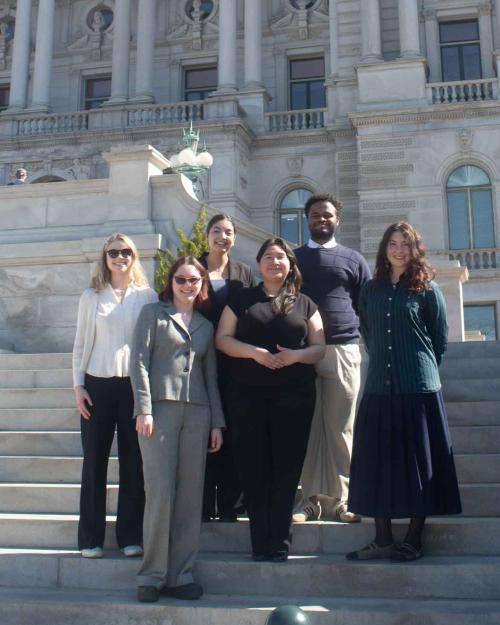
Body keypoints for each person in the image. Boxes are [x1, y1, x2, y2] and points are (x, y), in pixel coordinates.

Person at [346, 222, 461, 562]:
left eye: (405, 244)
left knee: (418, 463)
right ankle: (382, 538)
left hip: (418, 390)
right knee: (376, 462)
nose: (398, 250)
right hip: (380, 387)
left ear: (415, 249)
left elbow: (437, 340)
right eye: (393, 243)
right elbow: (368, 332)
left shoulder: (428, 289)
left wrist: (419, 369)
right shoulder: (371, 289)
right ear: (384, 249)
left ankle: (413, 537)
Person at [216, 238, 325, 561]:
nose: (274, 262)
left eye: (280, 257)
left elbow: (320, 347)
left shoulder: (306, 303)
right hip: (248, 398)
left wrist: (295, 357)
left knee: (286, 471)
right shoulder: (242, 299)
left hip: (295, 398)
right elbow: (222, 339)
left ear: (290, 264)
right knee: (254, 469)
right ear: (259, 263)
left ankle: (279, 542)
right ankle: (259, 543)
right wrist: (254, 354)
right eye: (268, 257)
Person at [132, 256, 225, 603]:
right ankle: (152, 575)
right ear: (171, 283)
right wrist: (143, 408)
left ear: (202, 285)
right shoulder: (152, 315)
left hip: (198, 414)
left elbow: (210, 376)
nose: (188, 286)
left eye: (194, 280)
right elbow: (138, 362)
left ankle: (180, 574)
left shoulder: (205, 325)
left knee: (190, 498)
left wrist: (217, 421)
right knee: (160, 494)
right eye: (181, 280)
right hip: (158, 412)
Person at [72, 233, 157, 559]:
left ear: (134, 257)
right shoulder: (91, 296)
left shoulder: (147, 296)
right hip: (97, 385)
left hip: (133, 387)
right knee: (94, 461)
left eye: (126, 252)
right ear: (105, 258)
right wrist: (78, 387)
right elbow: (80, 344)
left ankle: (129, 535)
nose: (120, 257)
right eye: (113, 252)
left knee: (133, 463)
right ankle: (90, 538)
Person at [293, 192, 371, 523]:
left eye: (327, 215)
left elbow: (366, 306)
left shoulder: (354, 259)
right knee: (307, 428)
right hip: (304, 352)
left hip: (343, 349)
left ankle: (343, 499)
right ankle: (308, 501)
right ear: (306, 220)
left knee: (342, 428)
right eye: (315, 215)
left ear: (338, 219)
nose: (321, 219)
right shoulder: (293, 260)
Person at [199, 213, 255, 522]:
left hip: (233, 365)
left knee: (232, 433)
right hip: (199, 361)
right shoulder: (192, 268)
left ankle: (231, 504)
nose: (223, 236)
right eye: (217, 231)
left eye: (229, 232)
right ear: (207, 236)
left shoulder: (243, 272)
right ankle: (205, 504)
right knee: (203, 433)